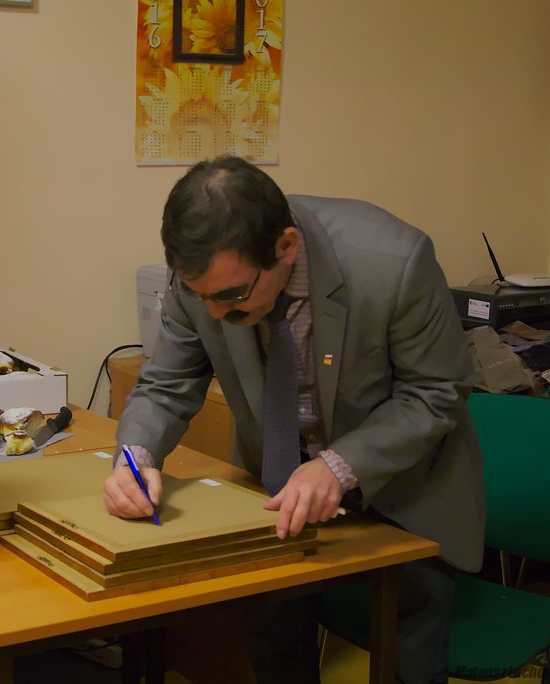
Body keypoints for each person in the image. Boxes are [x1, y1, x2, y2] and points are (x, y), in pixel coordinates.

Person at [103, 156, 485, 684]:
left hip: (403, 486)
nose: (215, 314)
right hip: (277, 486)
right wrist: (134, 457)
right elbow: (168, 382)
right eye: (200, 297)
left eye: (233, 296)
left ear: (285, 247)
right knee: (275, 643)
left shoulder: (393, 263)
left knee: (407, 657)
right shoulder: (205, 277)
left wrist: (338, 465)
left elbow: (436, 391)